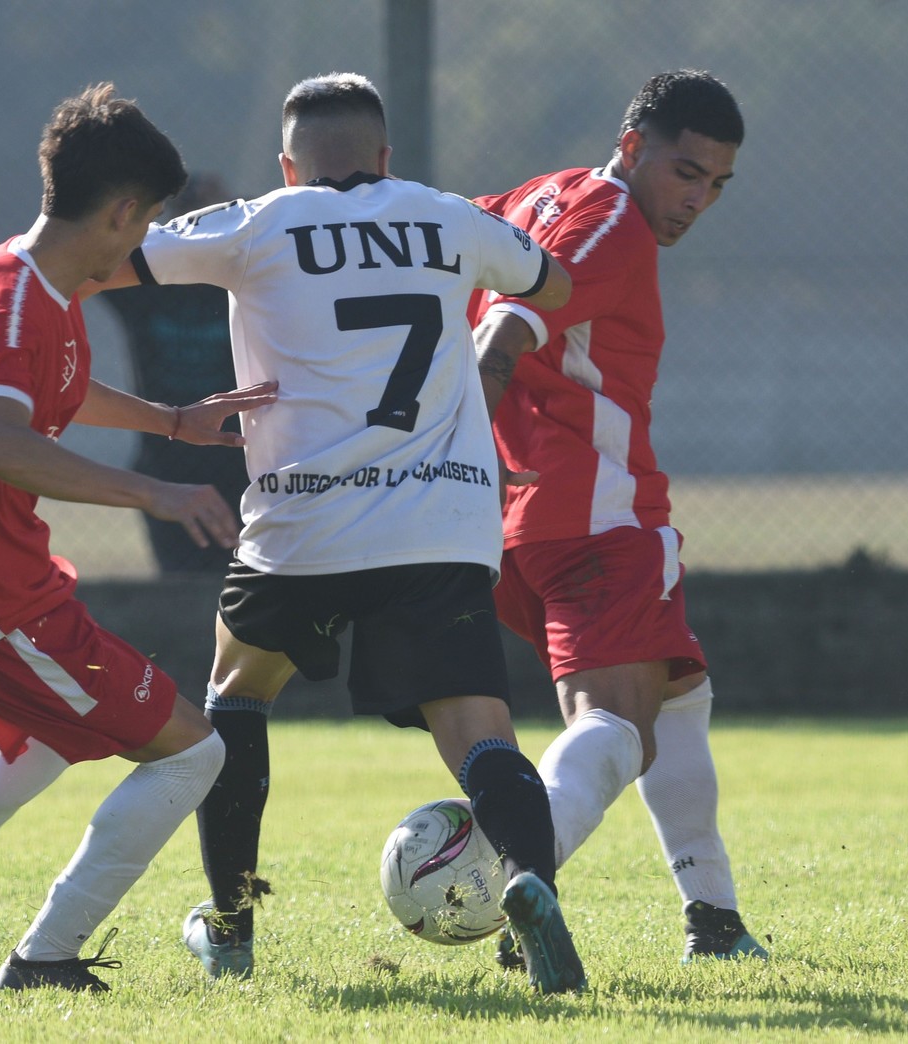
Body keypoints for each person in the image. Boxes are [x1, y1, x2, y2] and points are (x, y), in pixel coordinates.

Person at [106, 72, 586, 993]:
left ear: (288, 164)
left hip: (302, 525)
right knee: (480, 732)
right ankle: (528, 884)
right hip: (440, 519)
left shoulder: (256, 221)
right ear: (384, 157)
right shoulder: (444, 216)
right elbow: (553, 280)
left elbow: (113, 256)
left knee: (235, 698)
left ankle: (232, 928)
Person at [0, 83, 277, 994]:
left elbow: (56, 390)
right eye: (146, 223)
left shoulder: (24, 279)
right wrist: (154, 495)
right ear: (123, 209)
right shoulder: (12, 304)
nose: (141, 243)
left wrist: (171, 421)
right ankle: (43, 961)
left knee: (48, 735)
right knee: (197, 751)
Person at [469, 69, 768, 966]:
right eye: (685, 172)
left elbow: (445, 251)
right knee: (616, 727)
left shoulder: (535, 196)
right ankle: (525, 877)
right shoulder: (613, 227)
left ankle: (712, 921)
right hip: (597, 516)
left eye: (716, 183)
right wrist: (471, 457)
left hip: (526, 529)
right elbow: (499, 338)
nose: (697, 200)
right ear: (632, 147)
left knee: (680, 700)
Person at [103, 172, 250, 574]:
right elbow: (88, 257)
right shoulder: (139, 282)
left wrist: (230, 207)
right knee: (178, 586)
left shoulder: (244, 277)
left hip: (243, 460)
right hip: (166, 464)